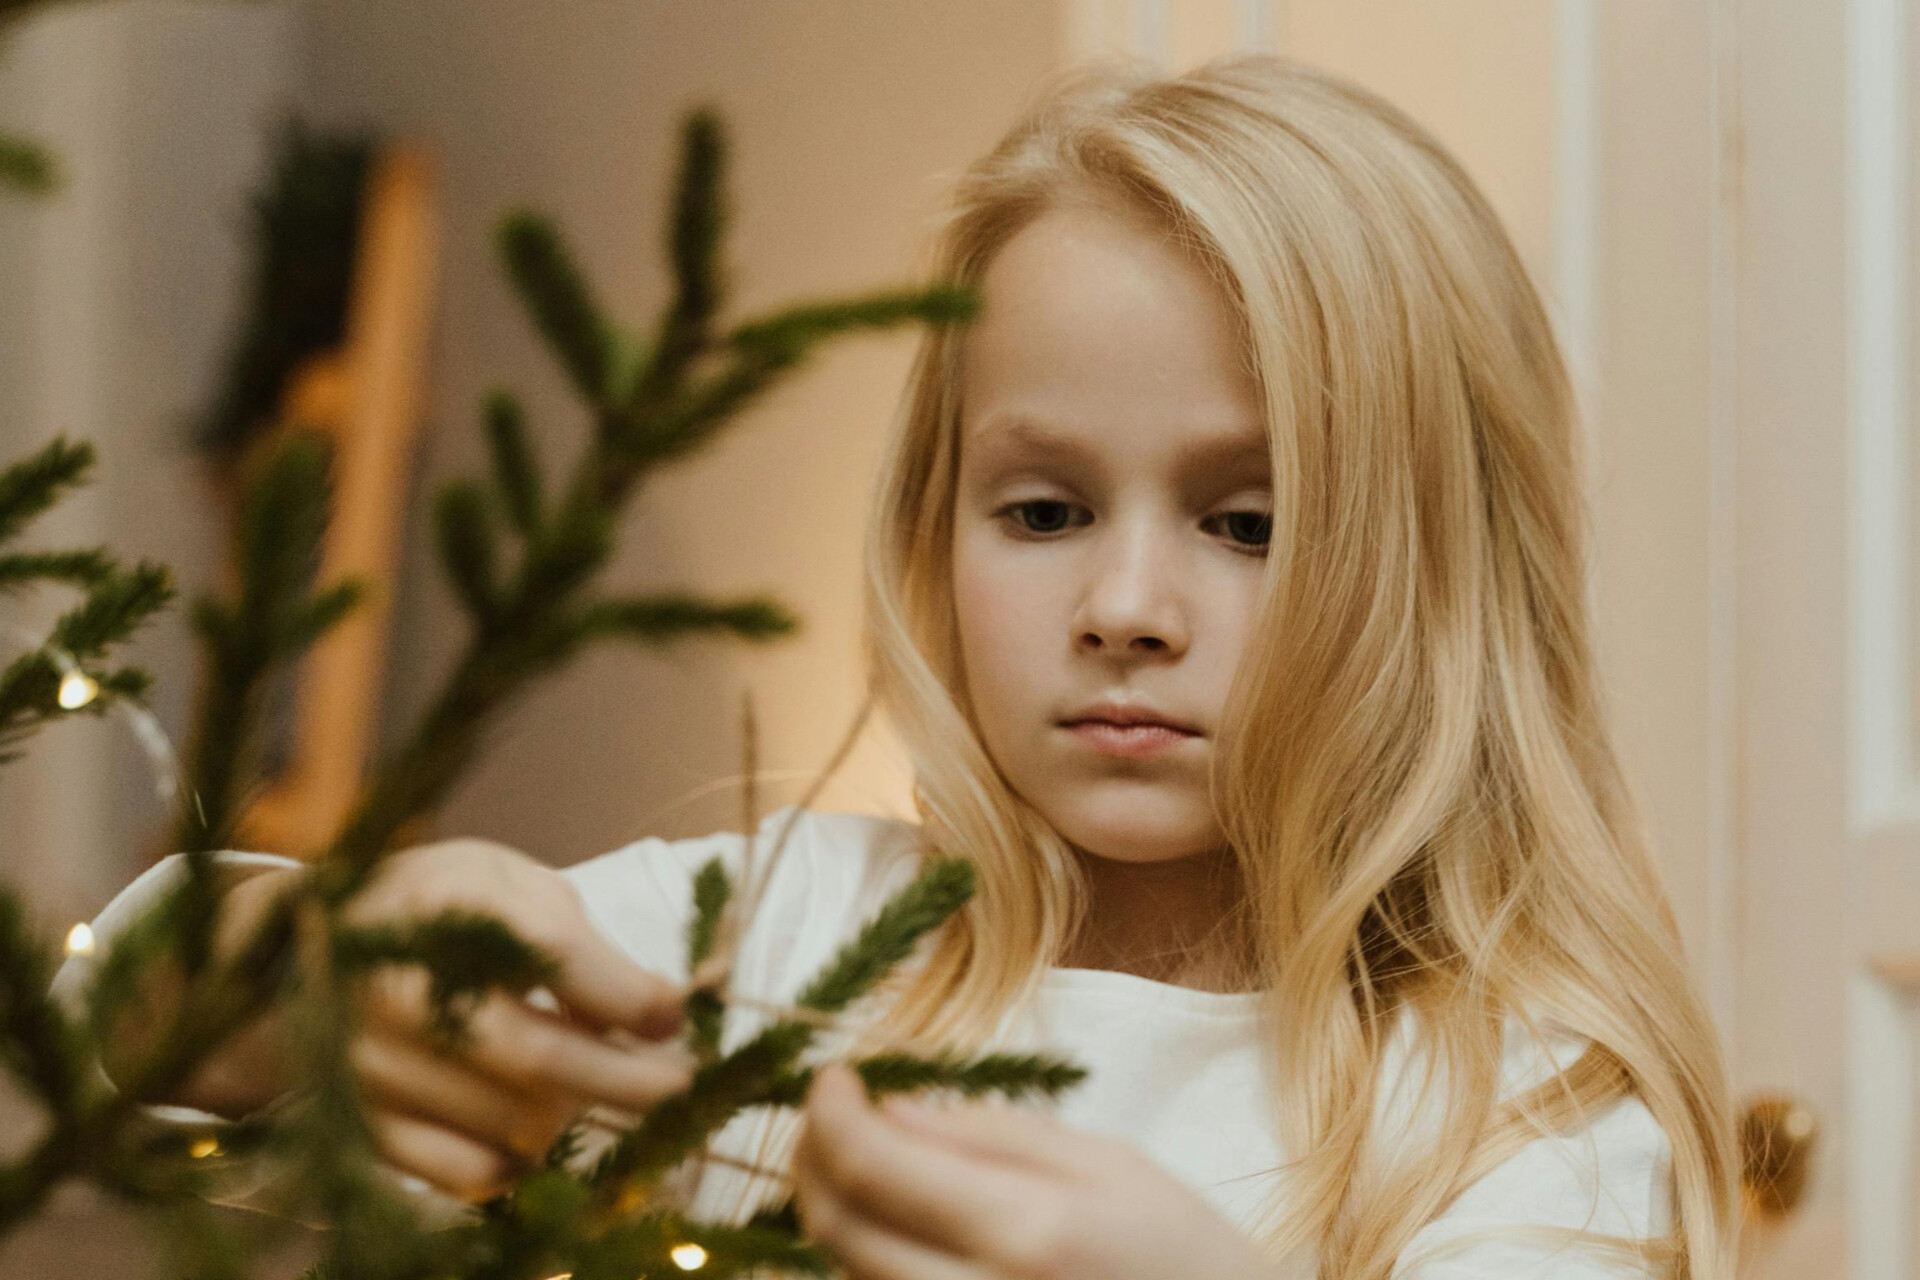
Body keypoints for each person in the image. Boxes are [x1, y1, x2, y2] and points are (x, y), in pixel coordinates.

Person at [51, 52, 1740, 1280]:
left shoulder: (1531, 1110)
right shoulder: (783, 943)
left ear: (1442, 575)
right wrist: (329, 968)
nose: (1127, 605)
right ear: (937, 521)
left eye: (1249, 523)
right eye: (1047, 508)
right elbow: (117, 1015)